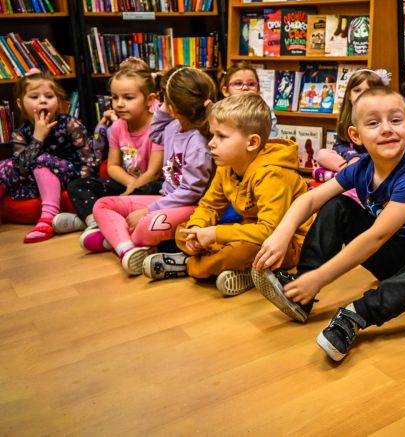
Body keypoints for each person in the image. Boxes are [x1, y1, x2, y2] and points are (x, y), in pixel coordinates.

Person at [252, 86, 405, 361]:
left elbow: (376, 236)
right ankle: (300, 294)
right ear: (355, 135)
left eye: (395, 120)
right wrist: (282, 232)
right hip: (395, 258)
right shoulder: (361, 168)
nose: (386, 129)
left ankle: (355, 315)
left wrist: (322, 277)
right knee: (337, 205)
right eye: (373, 123)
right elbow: (311, 199)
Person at [142, 93, 312, 296]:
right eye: (213, 134)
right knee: (184, 231)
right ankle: (236, 269)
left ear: (252, 143)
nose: (211, 143)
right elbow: (209, 206)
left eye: (221, 136)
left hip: (288, 245)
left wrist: (214, 234)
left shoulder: (273, 174)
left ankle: (187, 265)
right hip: (249, 231)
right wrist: (197, 228)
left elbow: (270, 231)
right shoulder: (227, 165)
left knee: (241, 251)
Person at [83, 66, 216, 275]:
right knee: (103, 204)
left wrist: (149, 210)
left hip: (190, 206)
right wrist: (166, 107)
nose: (161, 105)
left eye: (164, 101)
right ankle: (126, 248)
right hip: (167, 198)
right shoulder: (172, 126)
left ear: (173, 107)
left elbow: (191, 192)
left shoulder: (198, 144)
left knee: (146, 226)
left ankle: (116, 239)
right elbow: (155, 133)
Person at [55, 62, 163, 234]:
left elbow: (154, 172)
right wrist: (129, 184)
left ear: (149, 100)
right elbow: (113, 166)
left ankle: (105, 219)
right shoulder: (118, 127)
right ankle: (94, 221)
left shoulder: (158, 127)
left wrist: (132, 191)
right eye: (114, 97)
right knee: (78, 185)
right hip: (129, 184)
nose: (119, 104)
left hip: (150, 186)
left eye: (128, 98)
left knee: (154, 189)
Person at [0, 71, 95, 242]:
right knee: (5, 165)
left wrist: (81, 186)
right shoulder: (20, 133)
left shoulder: (70, 124)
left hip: (70, 177)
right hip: (35, 183)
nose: (43, 100)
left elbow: (88, 159)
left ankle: (48, 218)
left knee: (41, 159)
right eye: (35, 96)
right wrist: (37, 137)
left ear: (57, 100)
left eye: (49, 96)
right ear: (21, 104)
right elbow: (20, 168)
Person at [312, 69, 387, 182]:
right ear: (349, 96)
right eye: (357, 90)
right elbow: (339, 145)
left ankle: (345, 176)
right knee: (322, 154)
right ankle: (351, 174)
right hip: (351, 160)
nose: (362, 95)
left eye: (369, 91)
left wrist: (358, 159)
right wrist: (352, 157)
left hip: (373, 162)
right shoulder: (347, 120)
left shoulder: (382, 120)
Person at [218, 61, 278, 138]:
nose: (245, 87)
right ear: (225, 91)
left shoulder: (266, 113)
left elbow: (271, 143)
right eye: (238, 83)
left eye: (251, 84)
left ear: (258, 90)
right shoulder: (219, 112)